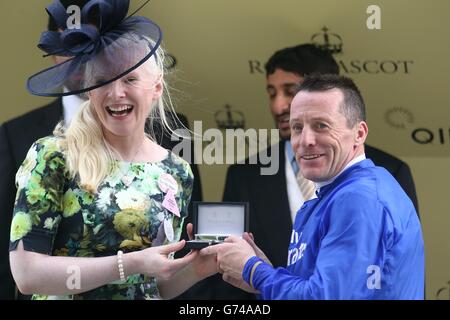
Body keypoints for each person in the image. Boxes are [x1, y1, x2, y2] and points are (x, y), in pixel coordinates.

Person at [8, 0, 215, 300]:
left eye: (130, 78)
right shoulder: (52, 156)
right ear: (90, 91)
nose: (117, 93)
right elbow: (28, 275)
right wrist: (128, 264)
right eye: (103, 81)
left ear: (156, 88)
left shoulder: (177, 172)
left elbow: (154, 286)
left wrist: (197, 269)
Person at [204, 74, 425, 299]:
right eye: (297, 127)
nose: (306, 140)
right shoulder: (338, 193)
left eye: (321, 126)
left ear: (359, 134)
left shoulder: (358, 198)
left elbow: (324, 297)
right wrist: (264, 275)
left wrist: (254, 271)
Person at [223, 43, 419, 272]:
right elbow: (229, 275)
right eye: (272, 93)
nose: (278, 106)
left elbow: (405, 266)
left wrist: (260, 275)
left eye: (290, 91)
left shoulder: (390, 172)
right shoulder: (245, 176)